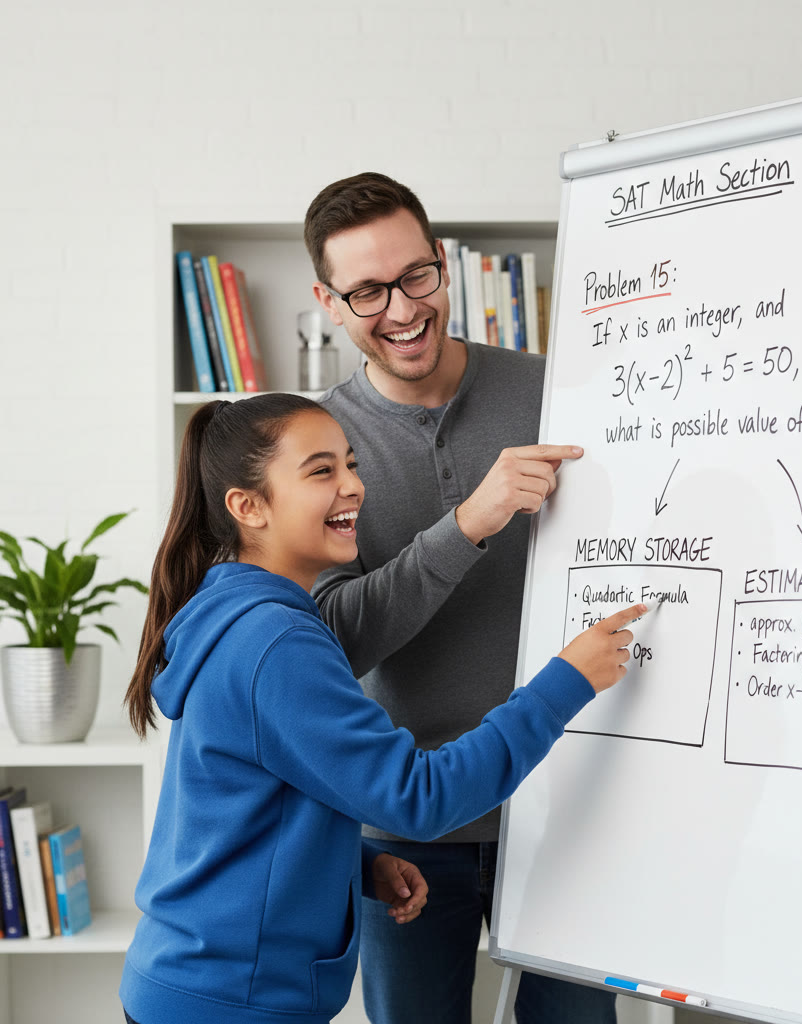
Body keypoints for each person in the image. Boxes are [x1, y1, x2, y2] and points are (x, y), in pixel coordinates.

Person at [119, 393, 644, 1024]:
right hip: (232, 1001)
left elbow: (247, 809)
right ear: (247, 507)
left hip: (193, 982)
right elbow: (420, 798)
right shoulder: (277, 644)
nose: (352, 487)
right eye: (321, 471)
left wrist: (356, 863)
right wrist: (565, 682)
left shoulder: (237, 615)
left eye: (350, 464)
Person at [305, 172, 621, 1023]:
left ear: (442, 265)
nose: (402, 308)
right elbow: (334, 640)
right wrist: (470, 521)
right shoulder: (315, 445)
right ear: (329, 302)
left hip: (568, 806)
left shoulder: (556, 391)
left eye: (415, 276)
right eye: (367, 291)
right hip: (403, 831)